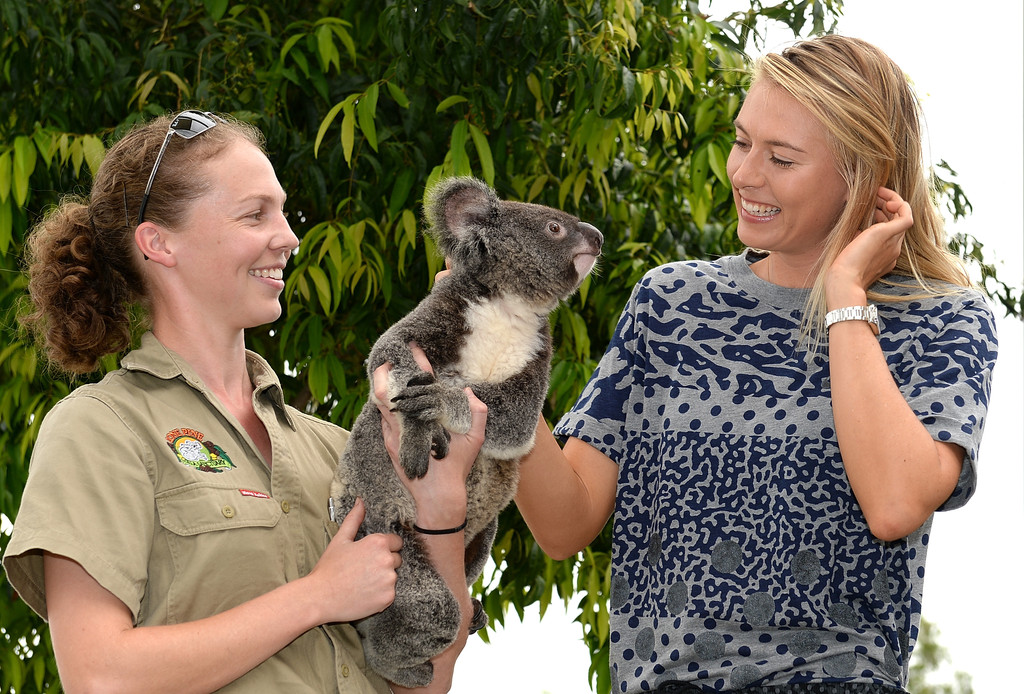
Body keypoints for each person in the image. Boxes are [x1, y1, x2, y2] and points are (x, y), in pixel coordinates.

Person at [514, 35, 998, 693]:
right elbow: (564, 523)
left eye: (783, 158)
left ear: (863, 174)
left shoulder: (943, 320)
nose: (744, 173)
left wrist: (847, 298)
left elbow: (894, 503)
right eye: (743, 142)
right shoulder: (671, 302)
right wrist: (493, 359)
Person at [2, 110, 486, 693]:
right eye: (255, 214)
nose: (289, 236)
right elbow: (100, 676)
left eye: (281, 210)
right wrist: (317, 597)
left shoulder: (337, 449)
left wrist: (442, 504)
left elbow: (426, 683)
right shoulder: (101, 429)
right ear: (159, 242)